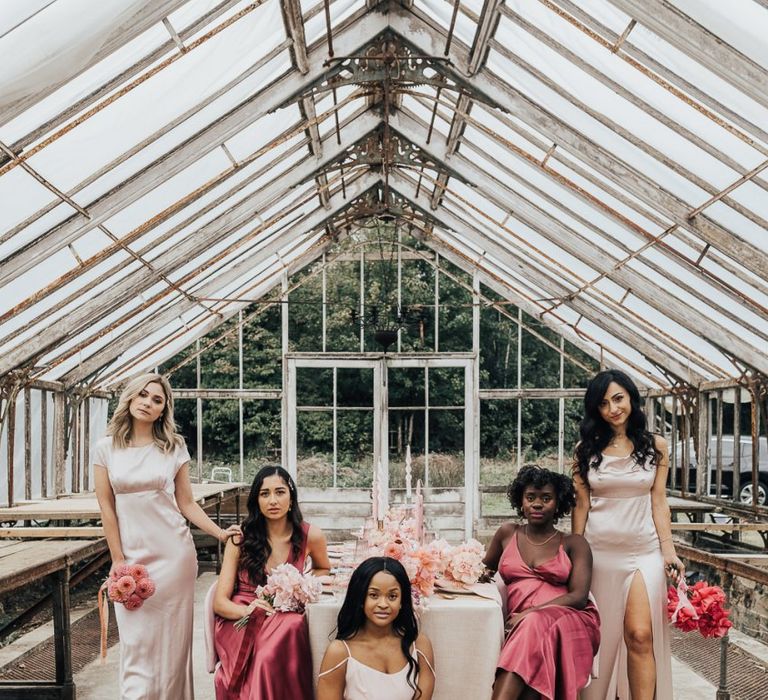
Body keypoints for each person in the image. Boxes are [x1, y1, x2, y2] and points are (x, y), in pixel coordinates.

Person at [93, 373, 240, 699]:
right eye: (143, 395)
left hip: (173, 556)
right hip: (130, 560)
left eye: (157, 400)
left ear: (163, 410)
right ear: (130, 398)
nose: (148, 402)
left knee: (172, 647)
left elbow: (186, 502)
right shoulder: (105, 449)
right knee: (135, 644)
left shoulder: (173, 447)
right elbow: (107, 508)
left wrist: (220, 533)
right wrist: (118, 558)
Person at [573, 368, 684, 700]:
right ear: (597, 410)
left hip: (643, 551)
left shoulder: (657, 447)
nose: (613, 409)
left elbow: (659, 500)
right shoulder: (584, 450)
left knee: (639, 634)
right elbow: (581, 505)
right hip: (598, 553)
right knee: (600, 639)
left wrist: (668, 550)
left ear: (632, 399)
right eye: (604, 403)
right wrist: (576, 559)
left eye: (618, 398)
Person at [481, 465, 600, 700]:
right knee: (531, 674)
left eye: (546, 498)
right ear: (521, 502)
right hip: (526, 628)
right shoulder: (507, 534)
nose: (537, 504)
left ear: (558, 503)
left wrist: (529, 613)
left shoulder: (574, 543)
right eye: (530, 497)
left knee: (534, 625)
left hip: (569, 620)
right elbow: (482, 572)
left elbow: (577, 597)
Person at [213, 465, 330, 699]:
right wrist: (248, 610)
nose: (273, 500)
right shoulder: (240, 539)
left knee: (292, 626)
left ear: (291, 496)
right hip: (241, 617)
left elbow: (323, 567)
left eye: (280, 492)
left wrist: (301, 585)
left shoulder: (311, 536)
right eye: (264, 494)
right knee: (267, 653)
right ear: (256, 500)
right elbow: (219, 603)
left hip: (283, 612)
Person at [317, 557, 435, 700]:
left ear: (402, 601)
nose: (383, 604)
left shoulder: (419, 645)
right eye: (373, 595)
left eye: (392, 596)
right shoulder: (339, 652)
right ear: (360, 598)